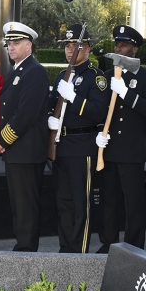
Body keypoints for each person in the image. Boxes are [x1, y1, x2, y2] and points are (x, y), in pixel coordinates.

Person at [94, 25, 146, 252]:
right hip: (109, 149)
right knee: (108, 201)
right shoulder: (106, 76)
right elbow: (99, 110)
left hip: (132, 150)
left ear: (135, 49)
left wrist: (126, 93)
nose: (119, 48)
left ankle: (134, 247)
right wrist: (99, 132)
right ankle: (108, 243)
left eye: (123, 45)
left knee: (134, 204)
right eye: (117, 44)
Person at [48, 24, 109, 253]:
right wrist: (49, 119)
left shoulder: (96, 77)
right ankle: (65, 248)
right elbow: (50, 104)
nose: (70, 50)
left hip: (83, 146)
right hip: (61, 145)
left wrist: (73, 97)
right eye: (67, 45)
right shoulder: (62, 76)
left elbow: (98, 111)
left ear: (88, 48)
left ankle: (79, 250)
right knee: (63, 202)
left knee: (81, 203)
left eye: (76, 46)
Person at [0, 22, 50, 252]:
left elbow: (25, 114)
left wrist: (3, 139)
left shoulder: (34, 71)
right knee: (18, 203)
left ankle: (27, 249)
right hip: (16, 150)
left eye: (16, 43)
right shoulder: (17, 70)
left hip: (26, 149)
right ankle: (22, 245)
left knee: (26, 204)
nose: (11, 47)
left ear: (29, 45)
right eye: (9, 43)